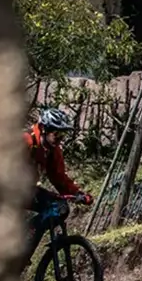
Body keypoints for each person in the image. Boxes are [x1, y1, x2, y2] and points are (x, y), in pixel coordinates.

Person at [23, 107, 91, 268]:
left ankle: (25, 247)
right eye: (57, 134)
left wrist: (78, 194)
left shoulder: (53, 150)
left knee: (59, 207)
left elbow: (59, 177)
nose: (60, 139)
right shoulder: (25, 141)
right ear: (44, 129)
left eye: (63, 134)